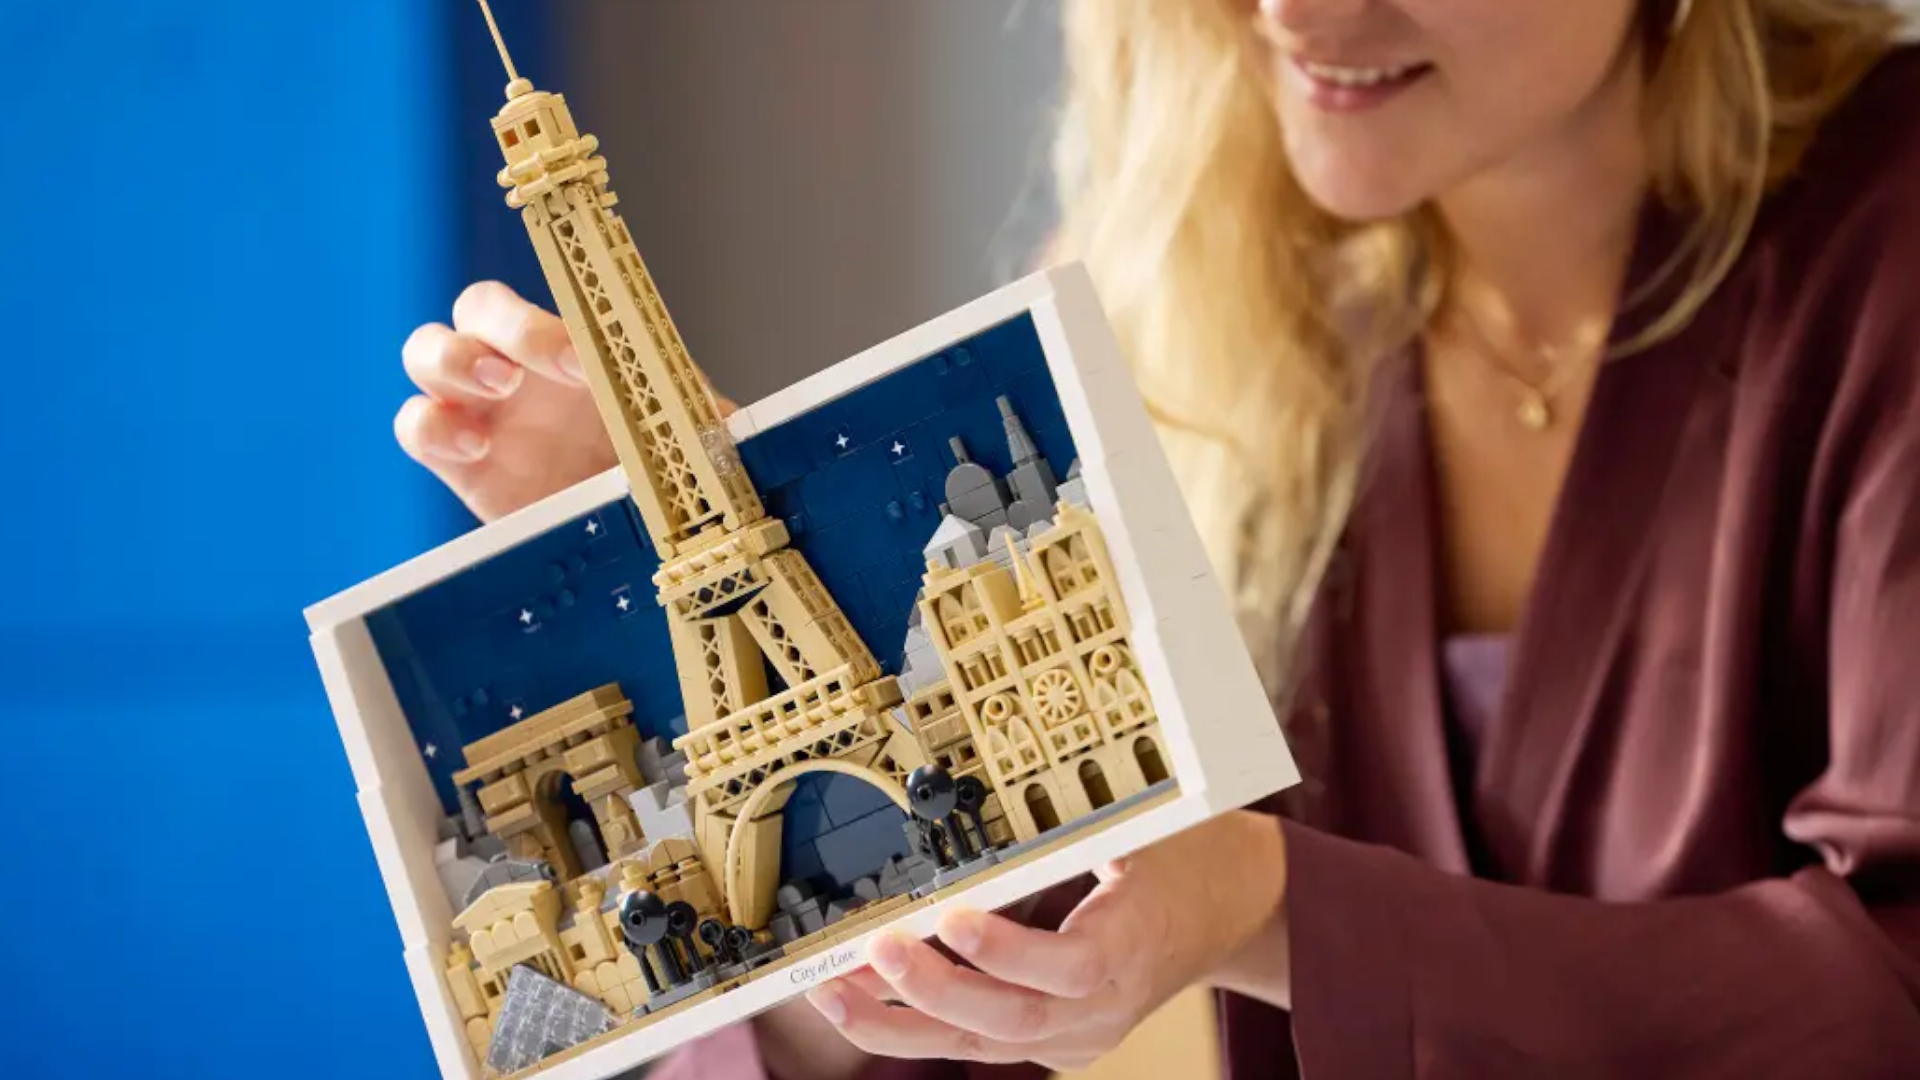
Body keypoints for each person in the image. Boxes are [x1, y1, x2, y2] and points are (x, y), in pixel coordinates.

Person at [393, 0, 1920, 1076]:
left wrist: (1268, 912)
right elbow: (1017, 958)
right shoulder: (1193, 298)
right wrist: (722, 568)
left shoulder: (1889, 250)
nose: (1297, 9)